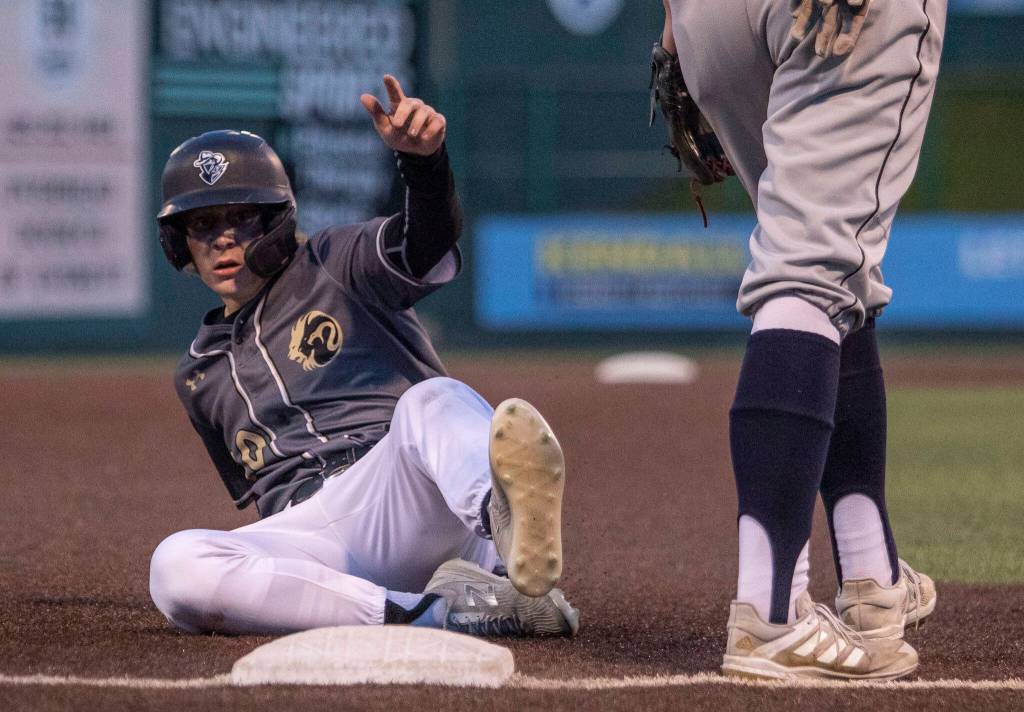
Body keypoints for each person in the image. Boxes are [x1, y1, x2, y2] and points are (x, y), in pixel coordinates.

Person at [148, 75, 578, 639]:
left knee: (434, 399)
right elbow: (263, 509)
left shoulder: (332, 260)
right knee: (176, 566)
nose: (223, 239)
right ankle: (445, 610)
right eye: (203, 224)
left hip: (405, 494)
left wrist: (424, 166)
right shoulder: (197, 375)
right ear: (179, 242)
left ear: (278, 220)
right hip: (317, 538)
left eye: (241, 217)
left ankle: (506, 527)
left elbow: (423, 242)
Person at [656, 0, 944, 680]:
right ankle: (772, 612)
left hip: (707, 20)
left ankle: (872, 584)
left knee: (831, 263)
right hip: (833, 14)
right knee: (813, 266)